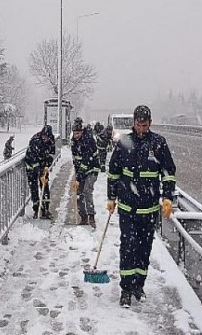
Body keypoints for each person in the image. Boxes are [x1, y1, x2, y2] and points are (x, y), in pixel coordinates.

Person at [106, 105, 176, 308]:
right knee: (128, 247)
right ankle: (126, 289)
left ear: (150, 123)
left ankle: (139, 285)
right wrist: (111, 197)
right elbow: (114, 172)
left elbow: (168, 171)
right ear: (133, 123)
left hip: (149, 209)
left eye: (145, 125)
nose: (141, 129)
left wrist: (168, 197)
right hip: (128, 208)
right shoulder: (124, 142)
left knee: (144, 249)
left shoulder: (158, 143)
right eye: (138, 125)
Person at [72, 118, 100, 228]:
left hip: (92, 169)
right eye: (75, 133)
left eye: (78, 133)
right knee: (79, 193)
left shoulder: (88, 141)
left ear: (82, 132)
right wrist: (77, 175)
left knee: (87, 191)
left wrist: (78, 177)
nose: (77, 135)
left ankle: (91, 215)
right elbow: (76, 160)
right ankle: (83, 217)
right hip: (81, 171)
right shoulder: (74, 142)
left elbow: (86, 161)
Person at [25, 125, 56, 219]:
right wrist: (37, 169)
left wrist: (47, 165)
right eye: (43, 135)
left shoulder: (51, 140)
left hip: (42, 166)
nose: (44, 137)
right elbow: (33, 157)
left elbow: (51, 154)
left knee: (45, 186)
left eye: (46, 136)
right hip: (32, 165)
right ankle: (36, 209)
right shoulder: (35, 140)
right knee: (34, 188)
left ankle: (46, 209)